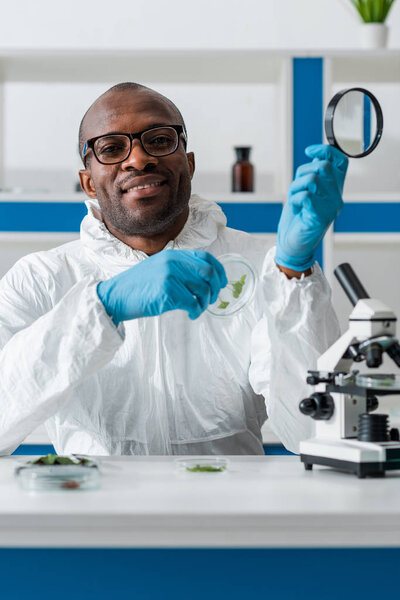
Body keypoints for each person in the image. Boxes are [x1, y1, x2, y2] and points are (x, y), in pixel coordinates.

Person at [0, 82, 348, 456]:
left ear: (189, 163)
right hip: (93, 508)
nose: (138, 159)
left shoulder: (263, 267)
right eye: (112, 148)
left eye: (160, 140)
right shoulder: (41, 279)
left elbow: (314, 431)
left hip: (230, 509)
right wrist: (101, 308)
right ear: (87, 182)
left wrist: (293, 272)